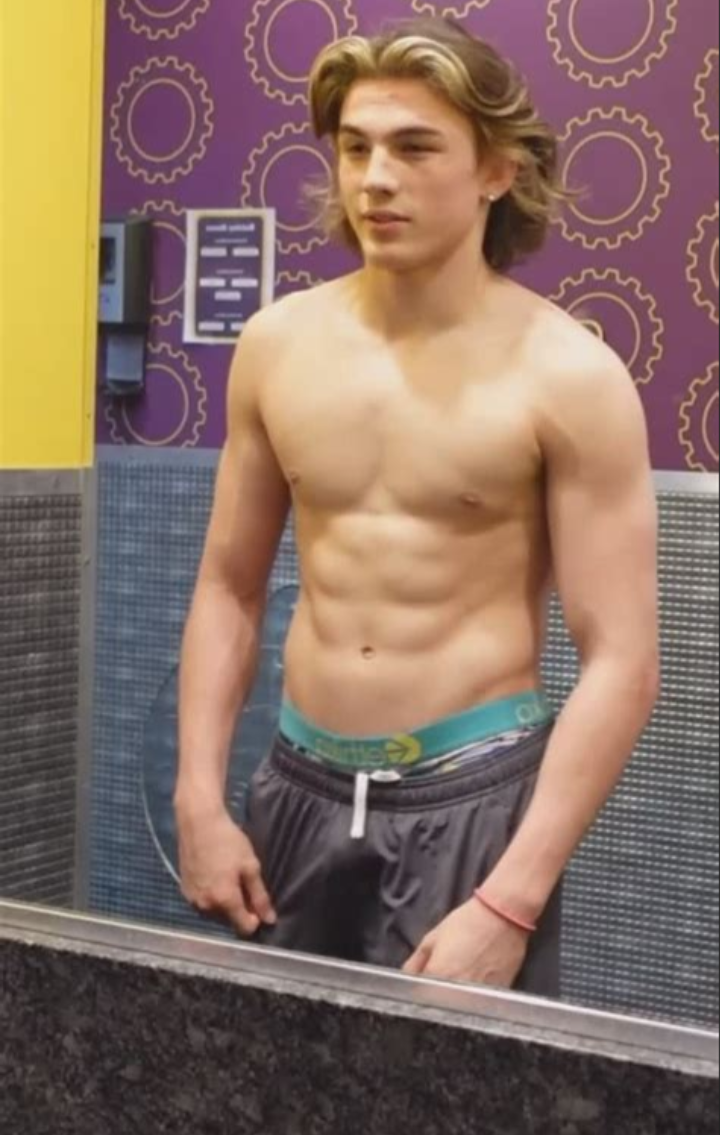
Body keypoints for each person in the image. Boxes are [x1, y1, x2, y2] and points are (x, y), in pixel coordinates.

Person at [174, 17, 659, 998]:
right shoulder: (276, 346)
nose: (375, 179)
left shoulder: (569, 375)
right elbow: (229, 586)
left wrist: (512, 898)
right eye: (356, 147)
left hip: (470, 803)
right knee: (262, 1067)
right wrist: (197, 798)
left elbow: (624, 659)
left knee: (453, 1080)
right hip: (295, 786)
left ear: (498, 170)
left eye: (415, 147)